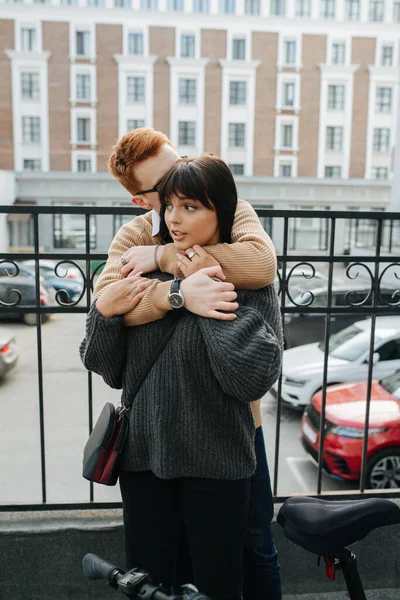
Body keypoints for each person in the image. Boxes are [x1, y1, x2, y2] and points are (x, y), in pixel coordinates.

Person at [80, 155, 283, 600]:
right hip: (144, 459)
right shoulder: (141, 264)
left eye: (190, 206)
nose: (174, 217)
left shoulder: (246, 277)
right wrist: (107, 314)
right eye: (169, 204)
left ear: (222, 212)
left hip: (218, 461)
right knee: (148, 584)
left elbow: (251, 378)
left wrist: (205, 296)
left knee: (217, 584)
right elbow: (106, 366)